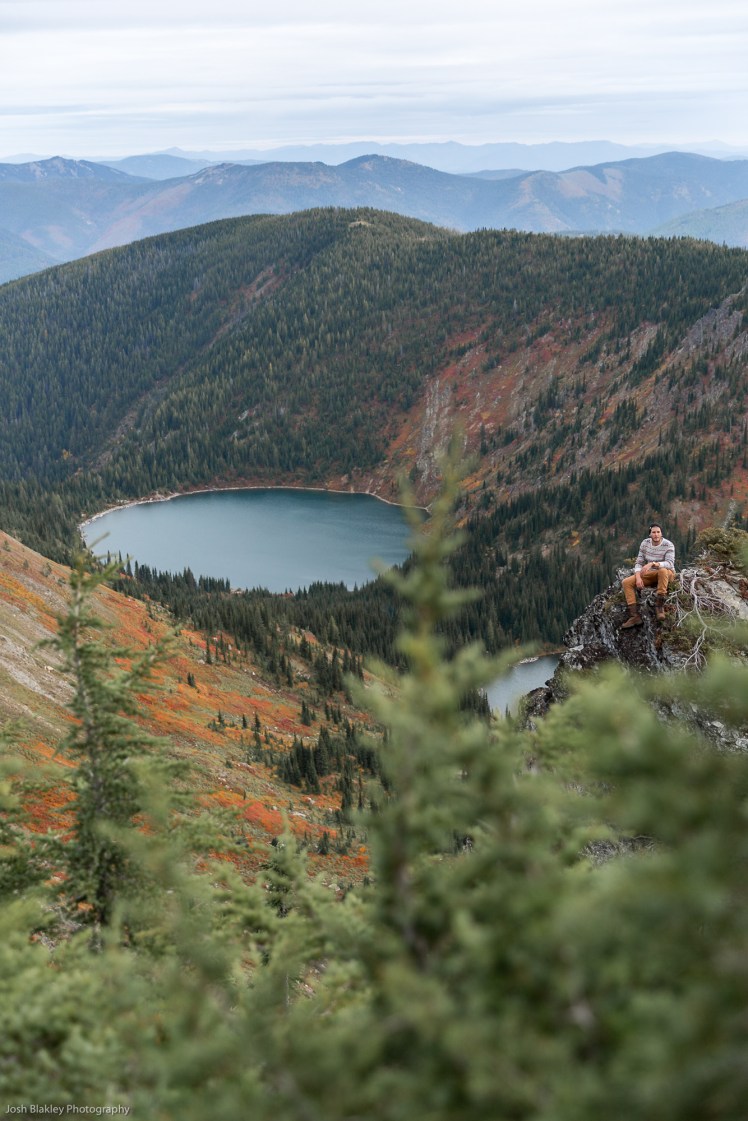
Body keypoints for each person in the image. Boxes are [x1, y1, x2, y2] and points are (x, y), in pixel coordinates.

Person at [620, 523, 676, 627]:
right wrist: (637, 578)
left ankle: (659, 607)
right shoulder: (645, 543)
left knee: (662, 570)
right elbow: (639, 562)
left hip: (667, 574)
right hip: (652, 574)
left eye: (658, 532)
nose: (656, 535)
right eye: (653, 532)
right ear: (650, 534)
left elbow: (669, 563)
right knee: (626, 582)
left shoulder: (668, 545)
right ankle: (635, 616)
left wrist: (653, 563)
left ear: (661, 533)